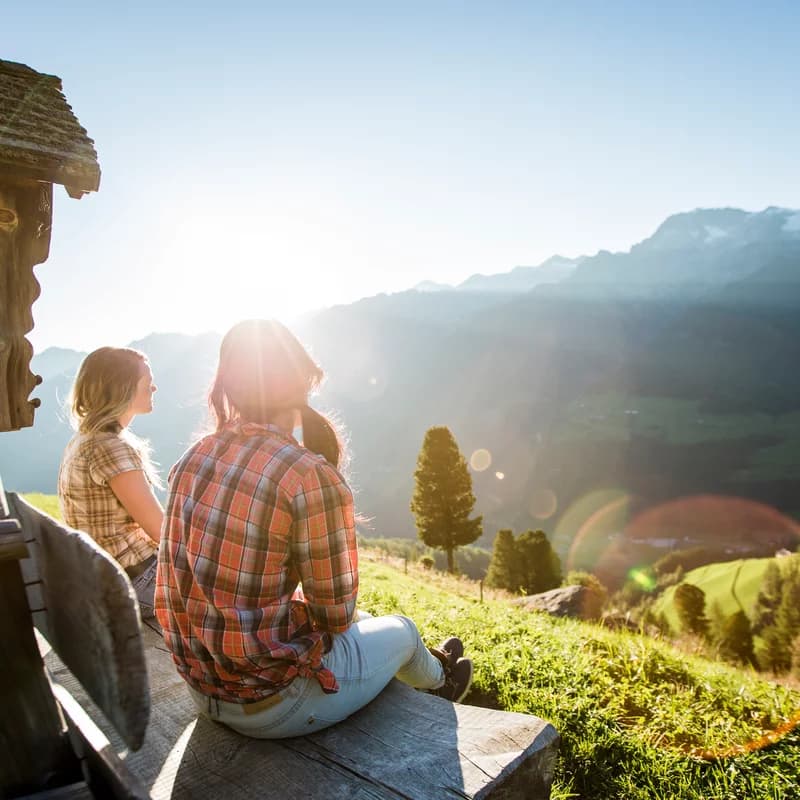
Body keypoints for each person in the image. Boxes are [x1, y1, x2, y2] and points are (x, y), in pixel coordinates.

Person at [155, 319, 473, 739]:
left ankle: (424, 666)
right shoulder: (306, 474)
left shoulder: (193, 458)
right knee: (403, 632)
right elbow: (336, 614)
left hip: (202, 688)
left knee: (368, 624)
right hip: (274, 704)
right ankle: (444, 684)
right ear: (300, 380)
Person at [58, 347, 164, 619]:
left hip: (104, 578)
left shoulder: (84, 439)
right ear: (122, 388)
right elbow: (162, 532)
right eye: (146, 381)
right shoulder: (110, 447)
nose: (154, 386)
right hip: (136, 583)